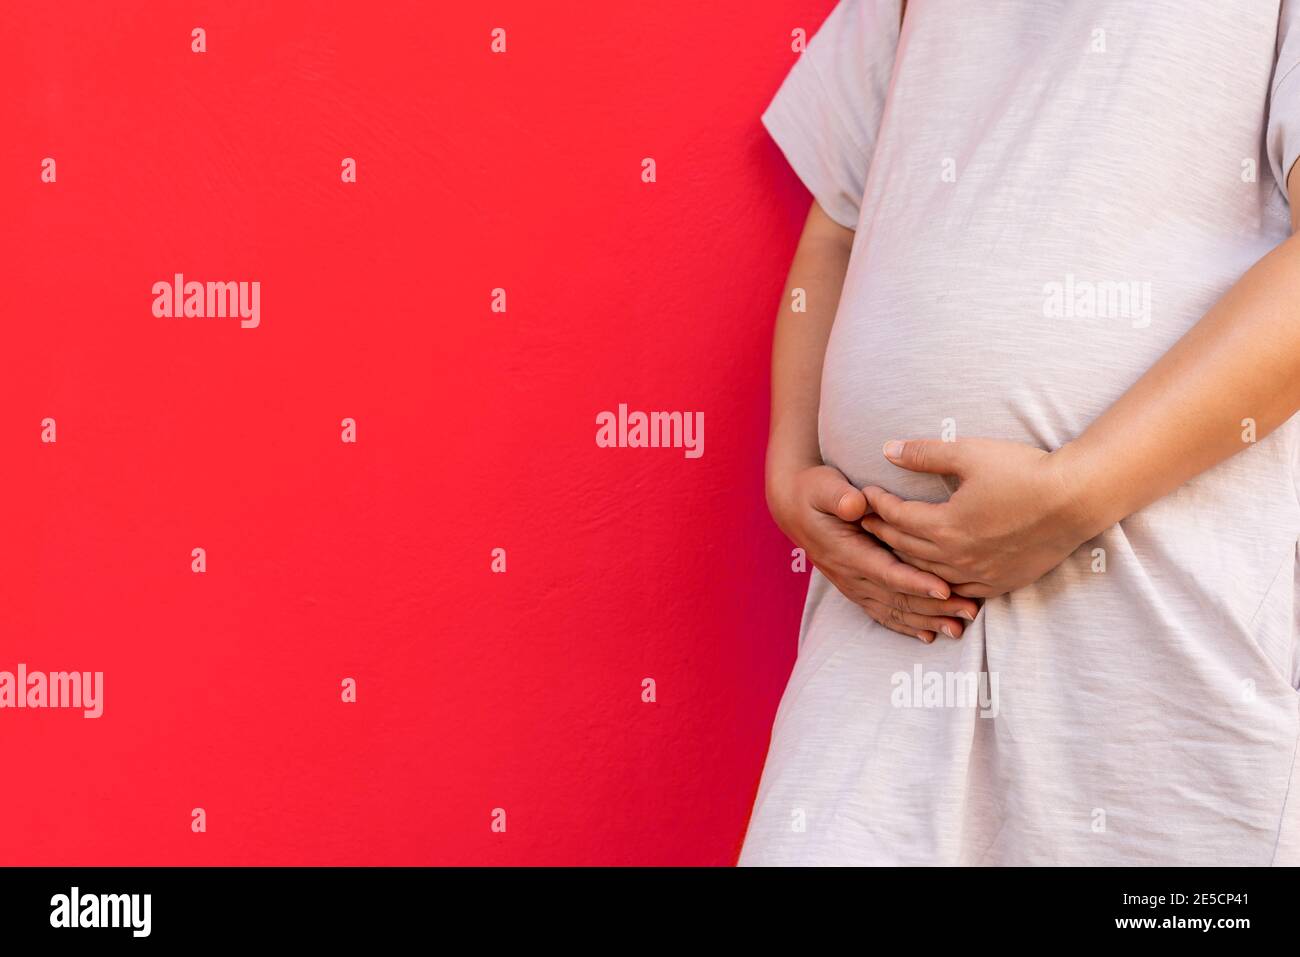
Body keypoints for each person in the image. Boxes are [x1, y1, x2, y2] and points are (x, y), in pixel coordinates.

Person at [742, 0, 1300, 865]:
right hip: (883, 615)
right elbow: (835, 235)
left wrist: (1078, 488)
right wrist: (790, 470)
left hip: (1153, 632)